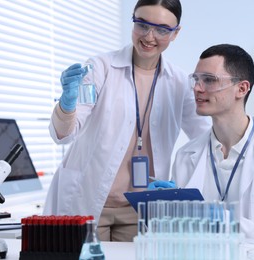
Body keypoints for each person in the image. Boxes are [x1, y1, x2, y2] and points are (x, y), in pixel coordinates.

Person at [43, 0, 211, 242]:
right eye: (142, 24)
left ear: (176, 33)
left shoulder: (180, 83)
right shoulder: (100, 68)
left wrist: (184, 183)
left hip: (140, 210)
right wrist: (66, 106)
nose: (149, 37)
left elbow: (203, 140)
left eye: (162, 29)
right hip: (88, 201)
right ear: (133, 19)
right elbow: (64, 134)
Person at [153, 43, 254, 245]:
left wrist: (228, 224)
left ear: (241, 88)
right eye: (195, 79)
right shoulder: (186, 155)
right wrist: (163, 210)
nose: (197, 88)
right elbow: (178, 234)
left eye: (209, 80)